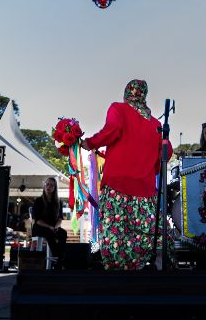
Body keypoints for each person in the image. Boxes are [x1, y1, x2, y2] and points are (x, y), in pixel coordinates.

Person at [81, 79, 172, 270]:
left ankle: (120, 269)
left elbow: (112, 130)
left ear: (126, 93)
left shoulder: (118, 109)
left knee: (117, 231)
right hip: (144, 188)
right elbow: (167, 151)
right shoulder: (156, 124)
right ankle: (152, 262)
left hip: (117, 184)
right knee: (146, 229)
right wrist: (151, 169)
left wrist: (90, 143)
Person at [31, 176, 67, 265]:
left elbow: (60, 218)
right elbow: (37, 220)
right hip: (40, 227)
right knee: (49, 232)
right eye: (47, 184)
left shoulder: (58, 202)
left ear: (55, 188)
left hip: (53, 227)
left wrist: (56, 227)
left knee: (63, 233)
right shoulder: (38, 201)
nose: (49, 186)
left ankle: (60, 257)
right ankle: (57, 257)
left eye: (51, 185)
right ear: (44, 186)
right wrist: (50, 227)